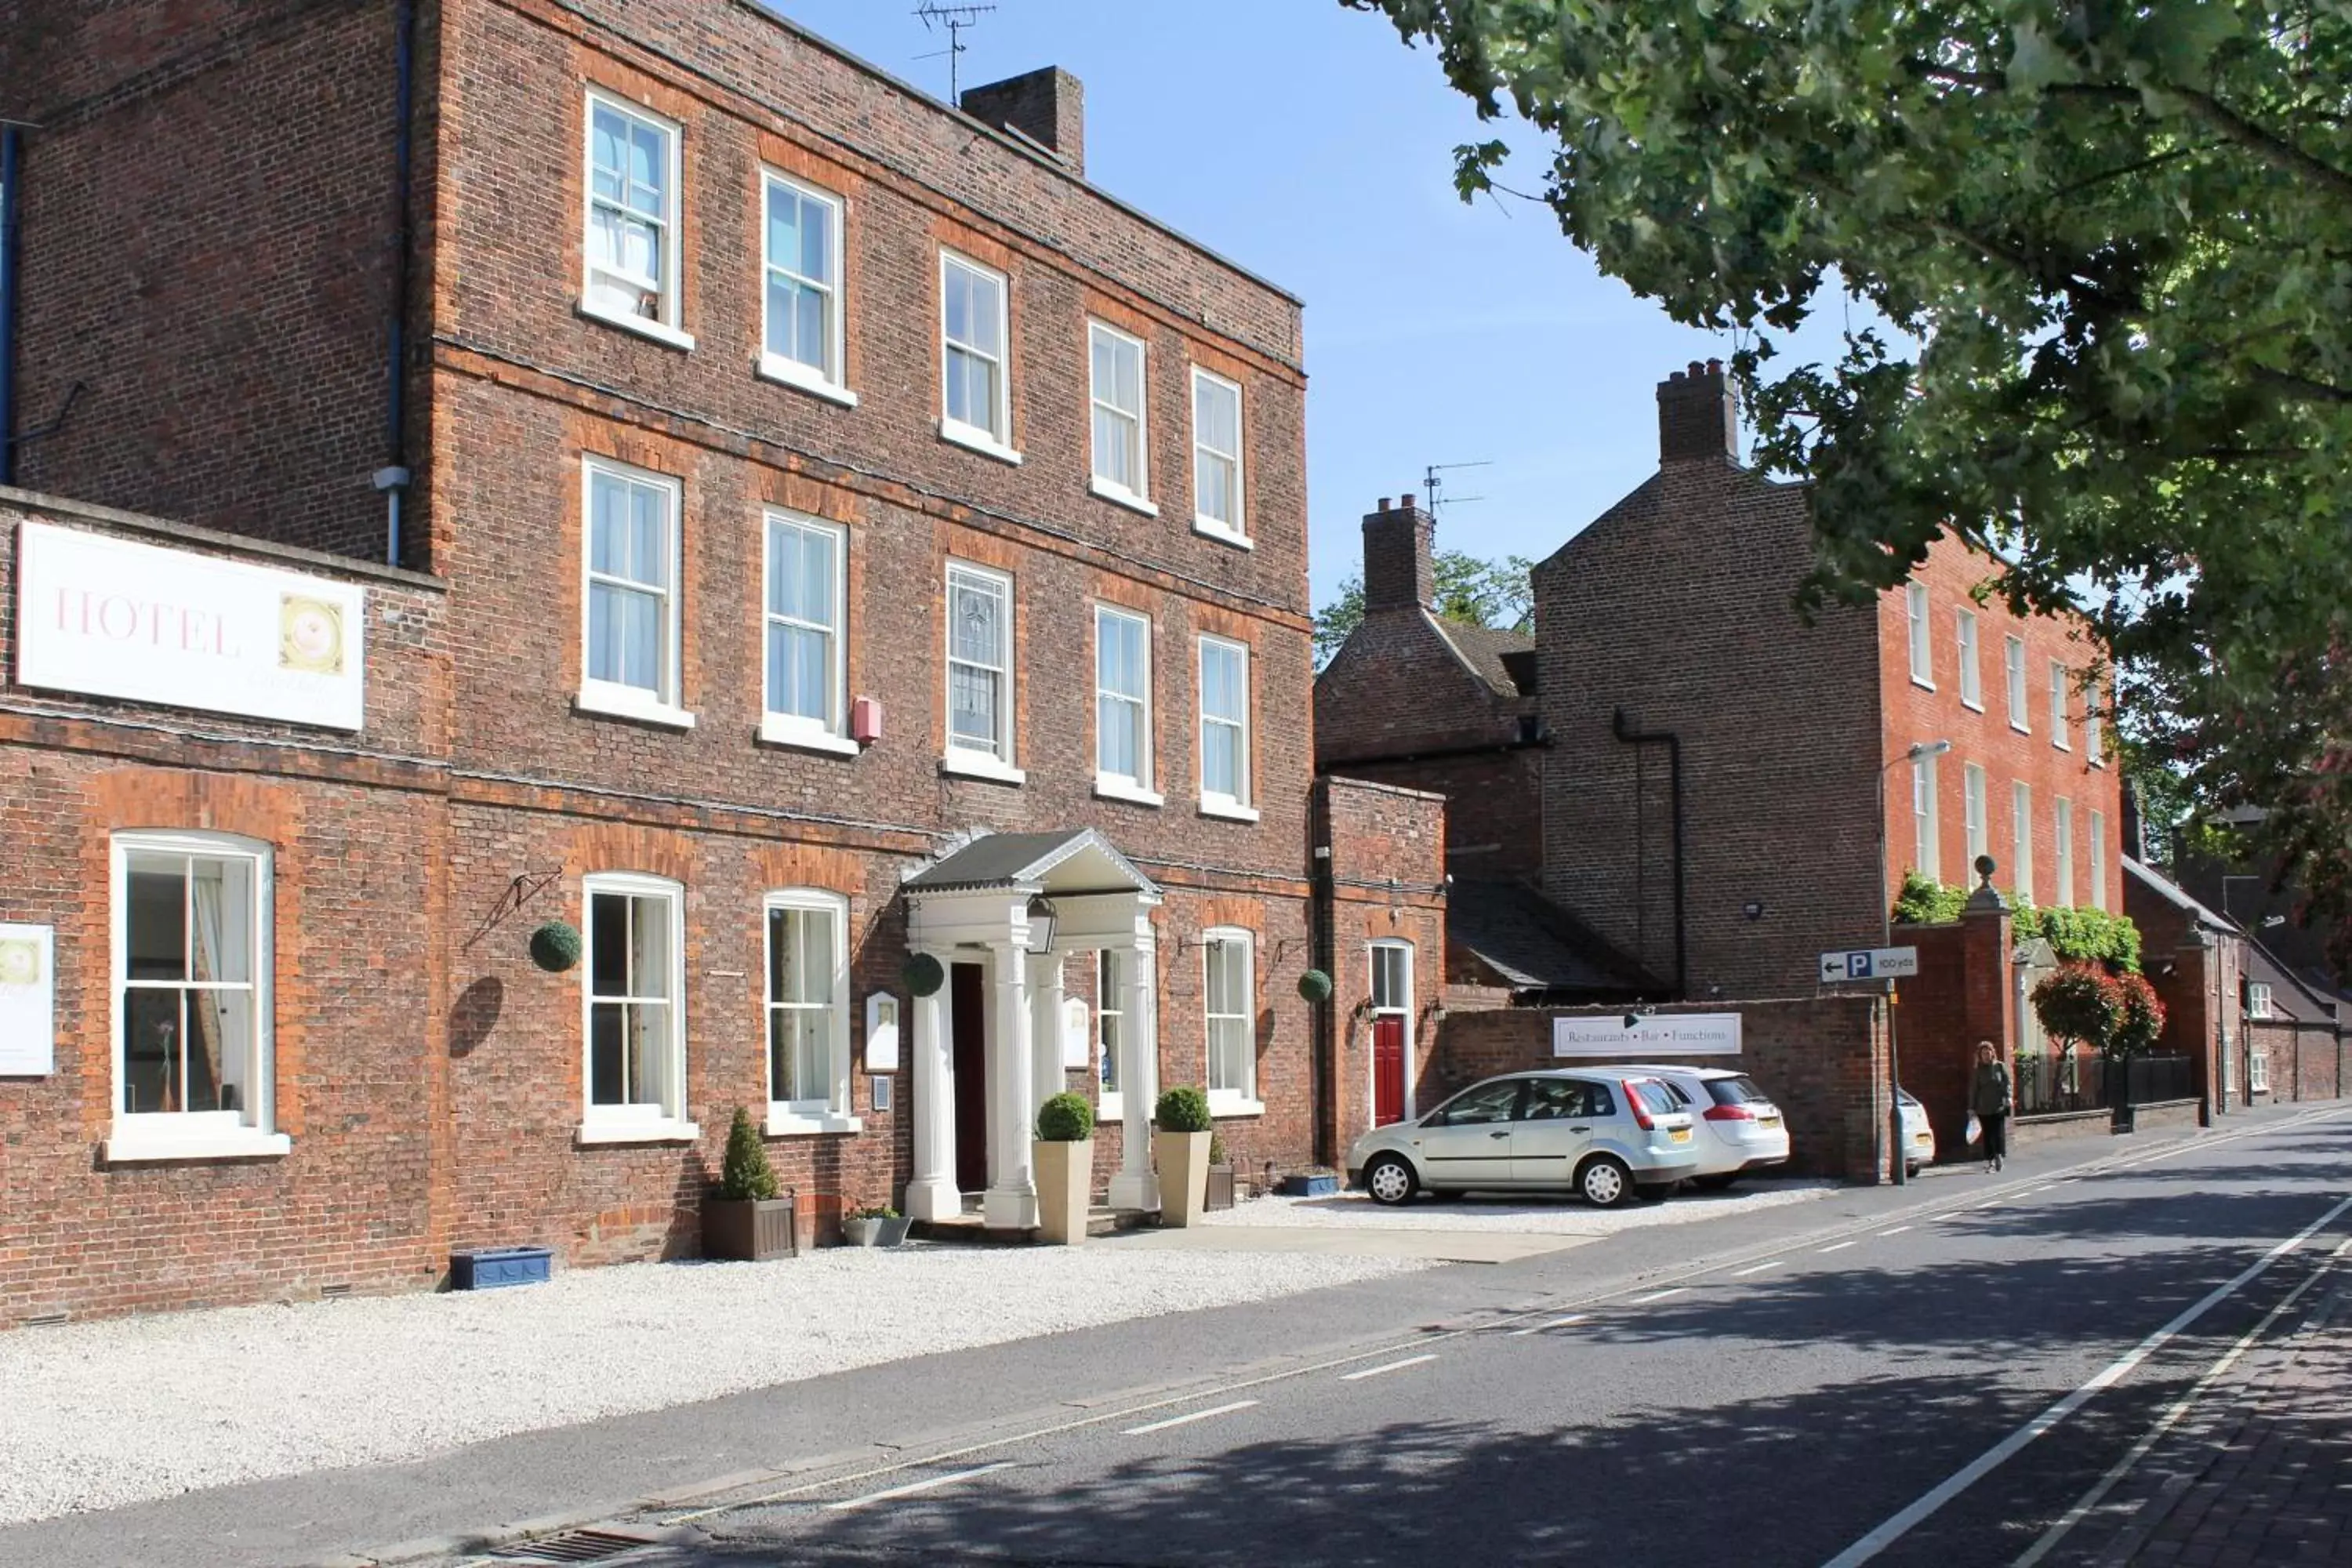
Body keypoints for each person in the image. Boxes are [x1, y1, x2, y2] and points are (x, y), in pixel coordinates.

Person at [1972, 1040, 2013, 1174]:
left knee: (1998, 1133)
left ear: (1992, 1053)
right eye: (1983, 1053)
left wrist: (2009, 1097)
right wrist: (1971, 1108)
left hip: (1998, 1106)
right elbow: (1974, 1090)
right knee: (1988, 1135)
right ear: (1980, 1055)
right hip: (1984, 1107)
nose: (1986, 1055)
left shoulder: (2000, 1067)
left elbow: (2007, 1083)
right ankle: (1990, 1162)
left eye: (1988, 1052)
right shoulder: (1978, 1070)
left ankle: (1999, 1156)